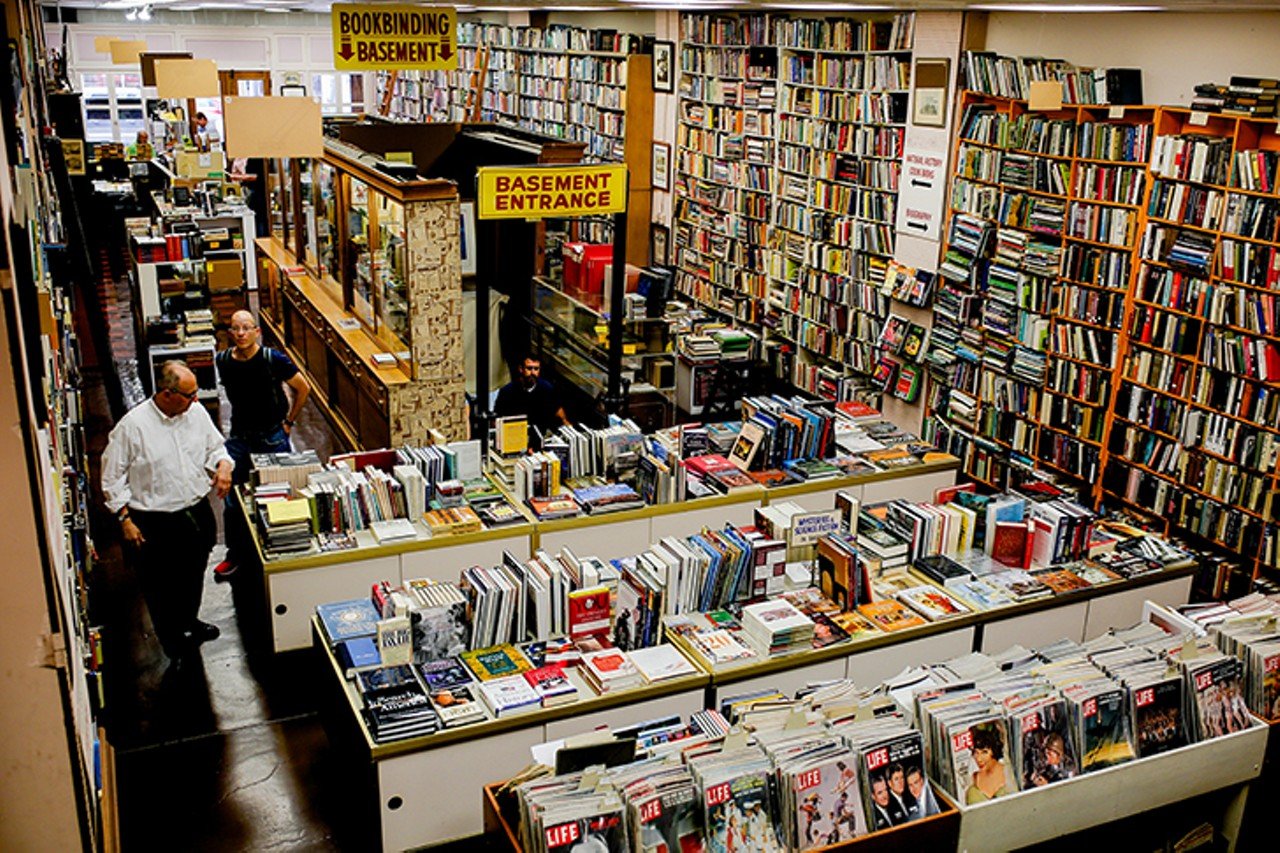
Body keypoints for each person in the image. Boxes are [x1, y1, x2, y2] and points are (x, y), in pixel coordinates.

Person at [101, 361, 233, 667]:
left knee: (193, 571)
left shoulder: (195, 413)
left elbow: (216, 449)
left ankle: (190, 620)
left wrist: (223, 466)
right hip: (154, 520)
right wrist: (124, 519)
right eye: (189, 395)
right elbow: (111, 477)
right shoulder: (132, 428)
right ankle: (172, 641)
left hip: (195, 511)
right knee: (160, 584)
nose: (196, 400)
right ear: (167, 393)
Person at [213, 310, 310, 579]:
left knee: (278, 494)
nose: (241, 333)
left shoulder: (272, 359)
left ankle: (280, 550)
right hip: (240, 436)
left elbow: (303, 388)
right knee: (232, 498)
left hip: (272, 435)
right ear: (230, 333)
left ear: (257, 332)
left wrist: (289, 421)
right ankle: (236, 554)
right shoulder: (223, 361)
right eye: (235, 328)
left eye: (246, 328)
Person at [493, 354, 569, 438]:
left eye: (536, 369)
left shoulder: (547, 388)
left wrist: (569, 432)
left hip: (540, 434)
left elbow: (559, 414)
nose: (533, 372)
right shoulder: (507, 391)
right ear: (521, 369)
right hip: (515, 435)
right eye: (529, 368)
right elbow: (497, 419)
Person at [965, 724, 1013, 803]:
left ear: (994, 751)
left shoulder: (1009, 772)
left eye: (984, 752)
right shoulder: (972, 779)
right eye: (976, 753)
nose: (979, 759)